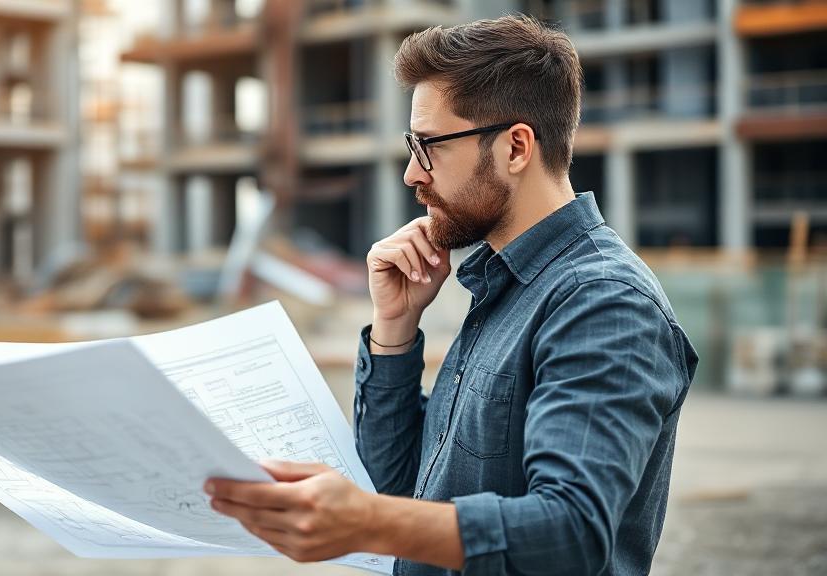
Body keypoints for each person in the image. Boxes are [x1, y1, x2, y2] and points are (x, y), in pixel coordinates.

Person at [205, 14, 698, 575]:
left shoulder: (604, 303)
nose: (413, 174)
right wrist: (394, 330)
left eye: (429, 145)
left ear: (515, 148)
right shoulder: (500, 286)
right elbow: (398, 490)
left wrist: (368, 521)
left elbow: (572, 531)